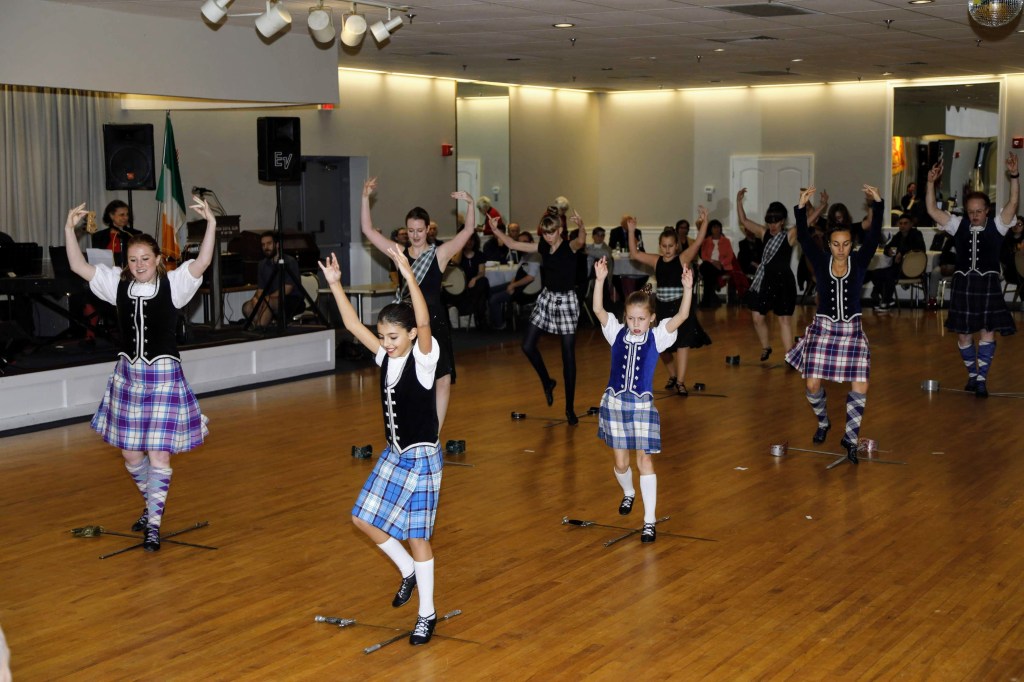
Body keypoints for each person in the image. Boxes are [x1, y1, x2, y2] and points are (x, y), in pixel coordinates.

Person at [63, 197, 216, 551]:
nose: (139, 264)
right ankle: (151, 505)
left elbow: (203, 262)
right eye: (133, 260)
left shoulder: (175, 284)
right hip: (128, 377)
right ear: (126, 263)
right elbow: (77, 265)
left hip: (163, 377)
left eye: (145, 258)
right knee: (131, 456)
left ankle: (154, 526)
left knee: (158, 455)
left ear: (158, 259)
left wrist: (210, 223)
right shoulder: (115, 283)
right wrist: (69, 229)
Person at [319, 246, 444, 647]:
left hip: (422, 458)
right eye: (383, 337)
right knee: (362, 519)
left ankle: (426, 613)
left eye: (393, 337)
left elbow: (423, 320)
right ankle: (407, 570)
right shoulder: (386, 358)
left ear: (411, 335)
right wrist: (335, 285)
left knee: (418, 536)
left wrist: (409, 276)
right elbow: (352, 324)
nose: (386, 343)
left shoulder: (424, 359)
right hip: (394, 455)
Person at [591, 255, 694, 543]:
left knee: (644, 461)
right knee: (621, 463)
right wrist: (600, 281)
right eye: (631, 318)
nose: (635, 324)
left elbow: (682, 316)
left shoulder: (657, 337)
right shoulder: (615, 333)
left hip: (642, 407)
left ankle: (649, 521)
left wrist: (688, 289)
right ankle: (628, 491)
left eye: (641, 319)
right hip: (614, 404)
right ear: (625, 317)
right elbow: (598, 309)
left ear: (652, 319)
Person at [360, 178, 476, 429]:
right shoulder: (399, 253)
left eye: (420, 230)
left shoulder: (439, 254)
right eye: (411, 230)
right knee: (410, 378)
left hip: (435, 322)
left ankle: (435, 434)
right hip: (409, 324)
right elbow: (368, 231)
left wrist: (470, 204)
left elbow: (468, 231)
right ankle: (413, 427)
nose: (415, 235)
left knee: (442, 379)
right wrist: (365, 197)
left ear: (428, 229)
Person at [786, 185, 883, 465]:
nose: (841, 249)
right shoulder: (820, 261)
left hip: (852, 331)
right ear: (829, 245)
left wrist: (877, 203)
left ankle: (850, 439)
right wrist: (801, 207)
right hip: (824, 329)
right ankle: (823, 421)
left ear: (852, 244)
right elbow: (803, 236)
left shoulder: (859, 262)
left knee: (861, 385)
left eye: (846, 244)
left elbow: (874, 234)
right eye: (836, 244)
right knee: (812, 385)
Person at [925, 155, 1018, 398]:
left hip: (987, 284)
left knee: (988, 331)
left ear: (987, 211)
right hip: (964, 284)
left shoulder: (998, 225)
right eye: (970, 212)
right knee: (964, 334)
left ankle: (981, 381)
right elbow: (932, 210)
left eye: (979, 211)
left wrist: (1014, 176)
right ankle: (973, 375)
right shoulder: (958, 225)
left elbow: (1013, 203)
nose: (974, 215)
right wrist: (930, 183)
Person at [491, 209, 586, 424]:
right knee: (527, 346)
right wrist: (496, 230)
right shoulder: (543, 246)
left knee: (568, 356)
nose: (548, 237)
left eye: (552, 232)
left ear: (560, 230)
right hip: (547, 298)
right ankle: (547, 381)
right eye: (545, 233)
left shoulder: (569, 246)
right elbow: (513, 244)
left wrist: (581, 227)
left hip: (567, 301)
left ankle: (569, 408)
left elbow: (580, 241)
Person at [626, 211, 710, 396]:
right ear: (660, 246)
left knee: (682, 344)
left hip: (680, 307)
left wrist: (705, 223)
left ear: (677, 245)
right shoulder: (657, 261)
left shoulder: (682, 259)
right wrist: (631, 231)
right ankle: (673, 375)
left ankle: (680, 381)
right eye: (664, 246)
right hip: (663, 307)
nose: (667, 249)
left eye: (670, 246)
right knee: (661, 345)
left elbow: (698, 243)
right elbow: (635, 253)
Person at [736, 188, 798, 362]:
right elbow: (744, 220)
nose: (772, 225)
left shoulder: (789, 236)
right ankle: (766, 347)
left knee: (784, 320)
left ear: (782, 221)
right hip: (765, 281)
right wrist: (739, 201)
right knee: (757, 318)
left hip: (783, 282)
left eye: (776, 221)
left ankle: (790, 356)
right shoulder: (764, 233)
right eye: (769, 221)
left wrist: (821, 206)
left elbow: (806, 222)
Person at [242, 231, 305, 328]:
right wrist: (257, 299)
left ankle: (260, 327)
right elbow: (260, 289)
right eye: (263, 245)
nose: (266, 247)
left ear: (277, 245)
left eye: (269, 244)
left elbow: (287, 290)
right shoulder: (262, 264)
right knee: (247, 307)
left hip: (292, 300)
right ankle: (261, 327)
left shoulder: (290, 262)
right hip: (270, 299)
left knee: (268, 303)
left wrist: (266, 299)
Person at [872, 213, 926, 310]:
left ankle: (884, 299)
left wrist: (901, 252)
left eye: (905, 223)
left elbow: (918, 247)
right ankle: (885, 298)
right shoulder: (898, 236)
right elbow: (888, 248)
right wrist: (889, 251)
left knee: (889, 274)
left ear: (911, 224)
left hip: (912, 269)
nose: (902, 226)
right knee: (875, 273)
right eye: (900, 223)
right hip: (898, 269)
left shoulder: (916, 234)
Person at [488, 232, 540, 331]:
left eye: (525, 242)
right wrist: (512, 284)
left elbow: (531, 277)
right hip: (518, 284)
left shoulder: (534, 256)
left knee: (494, 299)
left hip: (527, 290)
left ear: (532, 242)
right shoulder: (524, 256)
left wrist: (513, 285)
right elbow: (516, 274)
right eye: (520, 243)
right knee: (490, 290)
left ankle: (500, 325)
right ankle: (495, 318)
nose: (522, 245)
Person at [448, 231, 490, 329]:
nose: (469, 242)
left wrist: (475, 279)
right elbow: (455, 262)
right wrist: (461, 247)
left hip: (475, 286)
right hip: (462, 287)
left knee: (483, 281)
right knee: (482, 296)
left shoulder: (479, 255)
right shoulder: (458, 255)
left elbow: (481, 272)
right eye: (467, 240)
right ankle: (480, 317)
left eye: (472, 240)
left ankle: (475, 310)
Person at [697, 219, 739, 308]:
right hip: (709, 265)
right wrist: (713, 262)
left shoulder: (726, 241)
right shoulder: (706, 241)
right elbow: (704, 256)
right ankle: (712, 296)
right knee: (705, 266)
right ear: (710, 229)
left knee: (707, 273)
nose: (716, 229)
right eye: (714, 227)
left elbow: (730, 256)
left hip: (722, 267)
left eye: (718, 227)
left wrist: (721, 263)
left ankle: (706, 300)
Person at [91, 200, 142, 267]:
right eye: (122, 215)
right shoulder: (98, 236)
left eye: (127, 214)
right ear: (111, 215)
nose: (126, 217)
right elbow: (96, 261)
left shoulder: (135, 234)